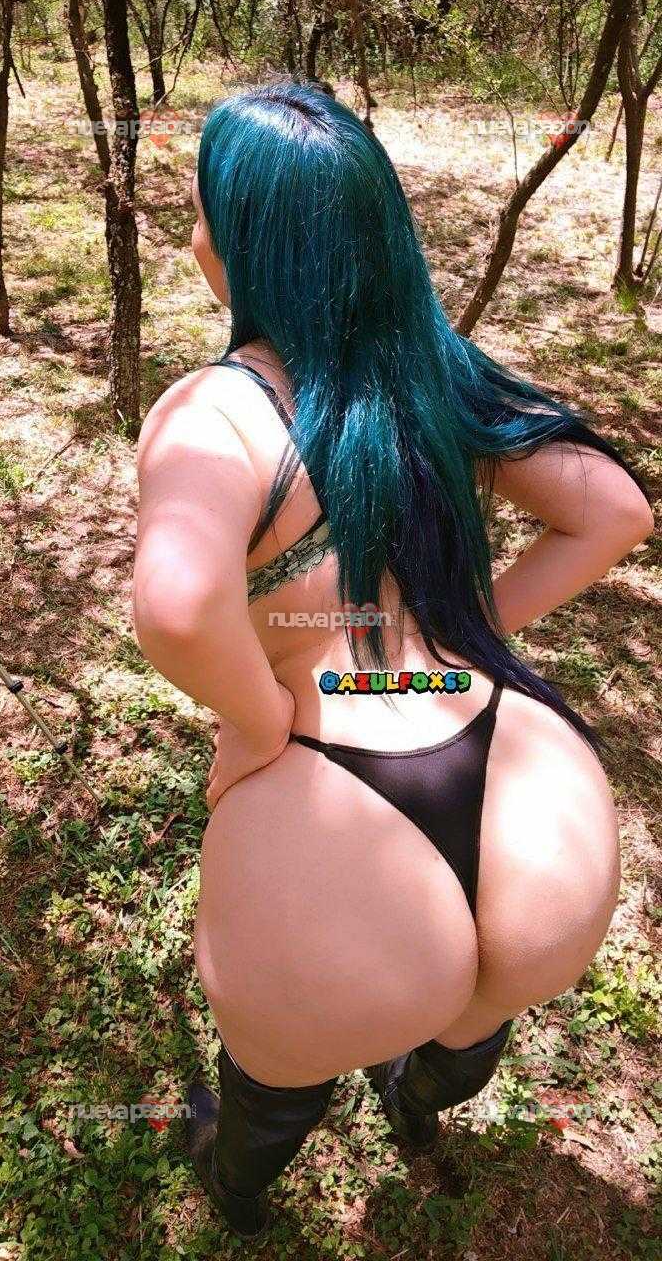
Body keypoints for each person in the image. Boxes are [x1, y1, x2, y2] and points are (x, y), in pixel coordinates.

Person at [131, 79, 654, 1240]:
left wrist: (256, 721)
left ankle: (240, 1193)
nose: (194, 232)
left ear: (245, 241)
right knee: (477, 1010)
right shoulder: (432, 367)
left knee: (272, 1084)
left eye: (202, 208)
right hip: (520, 792)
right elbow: (613, 509)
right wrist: (471, 628)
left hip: (333, 793)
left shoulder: (216, 409)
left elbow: (176, 602)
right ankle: (420, 1105)